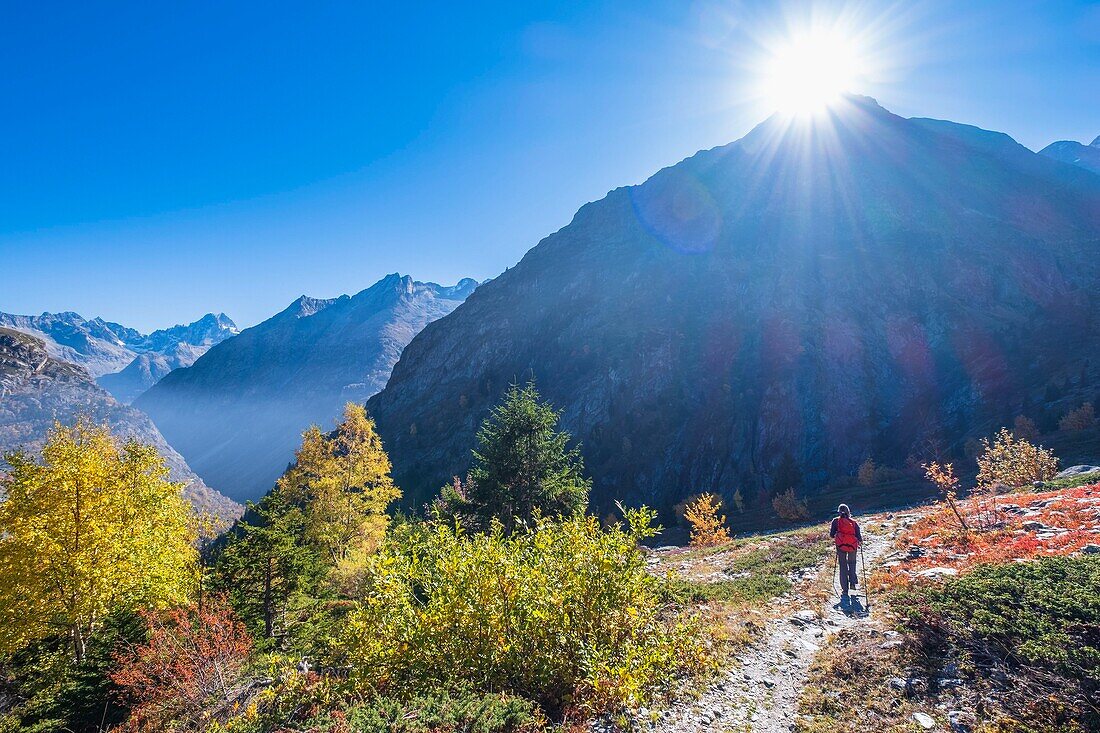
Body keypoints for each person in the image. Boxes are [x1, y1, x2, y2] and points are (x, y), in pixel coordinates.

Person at [830, 503, 862, 600]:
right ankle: (852, 583)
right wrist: (859, 541)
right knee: (852, 563)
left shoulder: (836, 521)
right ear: (848, 511)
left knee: (843, 566)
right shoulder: (853, 522)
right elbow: (859, 537)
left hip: (840, 546)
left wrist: (837, 535)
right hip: (852, 546)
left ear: (839, 512)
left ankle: (845, 589)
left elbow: (831, 535)